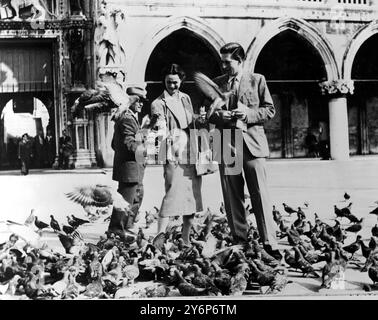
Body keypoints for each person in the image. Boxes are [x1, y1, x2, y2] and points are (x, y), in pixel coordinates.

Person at [207, 42, 281, 259]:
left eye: (227, 61)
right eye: (222, 61)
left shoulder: (257, 80)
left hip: (252, 144)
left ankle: (269, 243)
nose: (223, 66)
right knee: (232, 196)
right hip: (226, 143)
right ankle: (241, 240)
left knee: (260, 194)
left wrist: (247, 115)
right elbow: (209, 113)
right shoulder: (217, 84)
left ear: (239, 60)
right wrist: (220, 116)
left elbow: (269, 110)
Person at [151, 63, 205, 245]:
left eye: (175, 82)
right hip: (173, 153)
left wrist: (200, 118)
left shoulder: (186, 98)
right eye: (168, 82)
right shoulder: (158, 103)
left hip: (191, 151)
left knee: (192, 196)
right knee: (172, 195)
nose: (172, 86)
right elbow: (160, 129)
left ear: (181, 81)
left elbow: (190, 120)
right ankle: (159, 238)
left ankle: (186, 239)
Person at [110, 86, 148, 233]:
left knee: (135, 199)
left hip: (133, 169)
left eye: (143, 101)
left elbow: (114, 144)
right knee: (125, 202)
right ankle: (116, 231)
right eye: (138, 100)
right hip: (129, 169)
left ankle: (127, 227)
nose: (141, 104)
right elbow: (129, 144)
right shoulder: (127, 118)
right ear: (130, 101)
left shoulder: (130, 117)